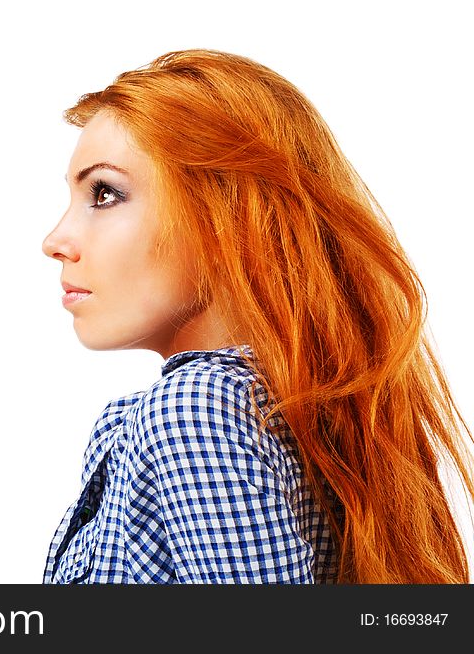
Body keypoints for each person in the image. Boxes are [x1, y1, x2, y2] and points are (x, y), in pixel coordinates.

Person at [40, 49, 474, 584]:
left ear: (226, 218)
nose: (55, 240)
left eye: (104, 193)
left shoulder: (193, 412)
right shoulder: (299, 410)